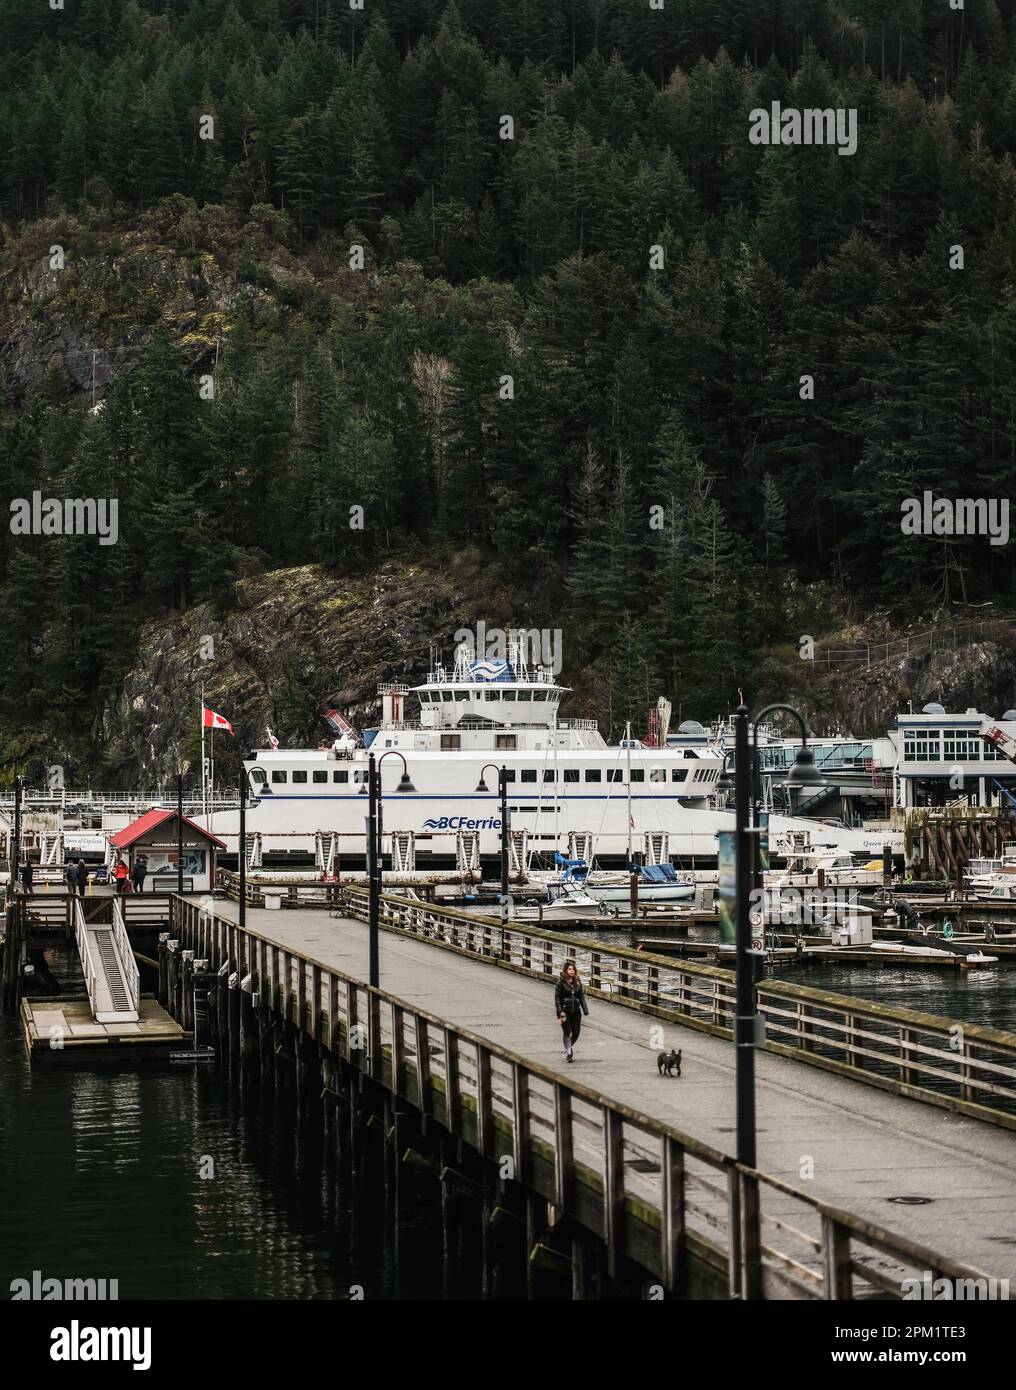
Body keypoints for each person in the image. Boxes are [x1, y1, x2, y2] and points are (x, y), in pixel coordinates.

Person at [554, 959, 589, 1063]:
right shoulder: (561, 982)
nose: (572, 971)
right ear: (566, 970)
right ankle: (569, 1053)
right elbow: (557, 998)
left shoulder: (577, 982)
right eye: (570, 969)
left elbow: (581, 996)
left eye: (573, 969)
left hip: (576, 1011)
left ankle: (568, 1046)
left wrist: (585, 1009)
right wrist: (560, 1011)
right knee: (567, 1031)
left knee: (576, 1032)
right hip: (564, 1011)